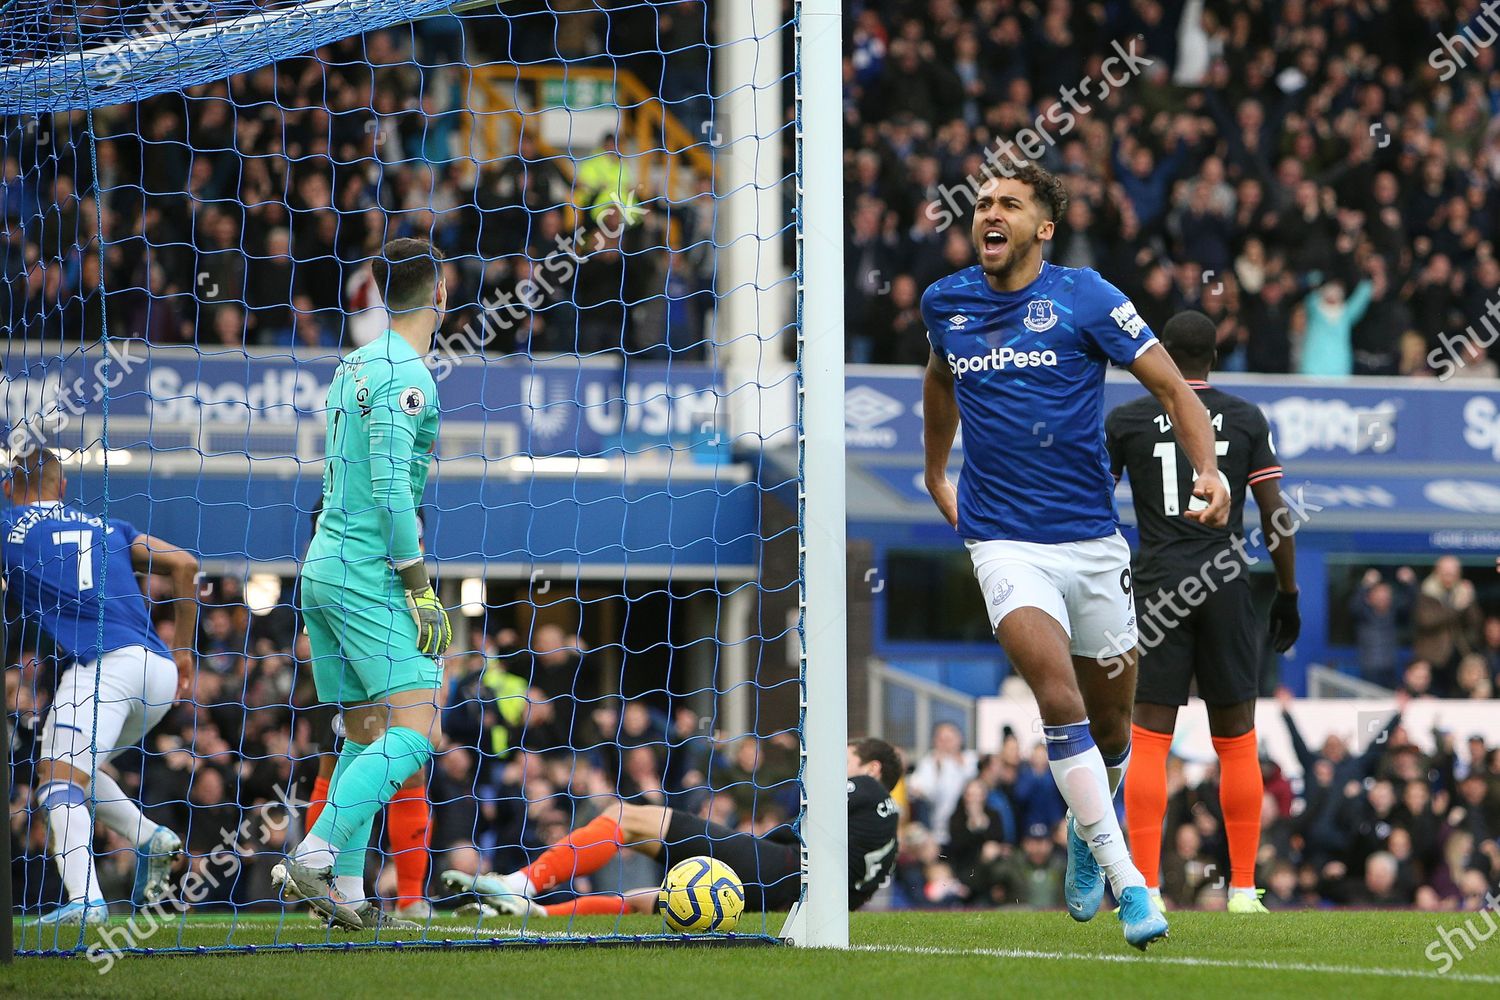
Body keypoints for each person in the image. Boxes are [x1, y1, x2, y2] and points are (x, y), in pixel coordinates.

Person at [921, 162, 1228, 950]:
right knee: (1058, 699)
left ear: (1042, 228)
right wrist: (934, 471)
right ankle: (1130, 883)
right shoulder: (945, 303)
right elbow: (940, 379)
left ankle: (1086, 835)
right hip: (1003, 541)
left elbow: (1172, 390)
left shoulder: (1087, 296)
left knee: (1114, 724)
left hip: (1091, 543)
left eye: (1008, 204)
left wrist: (1209, 470)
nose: (989, 213)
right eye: (983, 202)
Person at [273, 237, 452, 931]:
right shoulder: (410, 374)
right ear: (440, 293)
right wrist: (419, 584)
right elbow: (389, 491)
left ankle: (345, 889)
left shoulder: (350, 363)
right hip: (367, 576)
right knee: (417, 727)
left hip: (321, 566)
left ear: (379, 292)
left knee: (362, 728)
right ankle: (315, 854)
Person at [1105, 310, 1302, 916]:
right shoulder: (1244, 418)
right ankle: (1243, 889)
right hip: (1223, 579)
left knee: (1151, 739)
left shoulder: (1128, 418)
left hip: (1159, 580)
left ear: (1161, 352)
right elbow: (1276, 514)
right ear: (1215, 356)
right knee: (1237, 738)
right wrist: (1288, 594)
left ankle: (1147, 889)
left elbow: (1091, 506)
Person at [2, 447, 199, 925]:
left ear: (10, 487)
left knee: (57, 785)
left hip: (103, 665)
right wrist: (185, 649)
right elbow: (186, 565)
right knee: (69, 768)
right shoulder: (107, 527)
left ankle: (86, 901)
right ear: (63, 487)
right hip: (158, 671)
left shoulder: (7, 526)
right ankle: (150, 837)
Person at [441, 738, 903, 917]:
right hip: (784, 897)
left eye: (846, 754)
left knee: (626, 817)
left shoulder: (868, 789)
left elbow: (817, 798)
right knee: (654, 900)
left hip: (774, 865)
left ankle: (520, 884)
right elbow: (856, 896)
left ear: (872, 767)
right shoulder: (888, 837)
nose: (836, 759)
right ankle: (539, 913)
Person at [298, 502, 436, 922]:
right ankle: (318, 860)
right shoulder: (371, 486)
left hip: (377, 606)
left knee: (391, 758)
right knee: (349, 755)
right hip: (355, 608)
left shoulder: (392, 495)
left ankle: (378, 893)